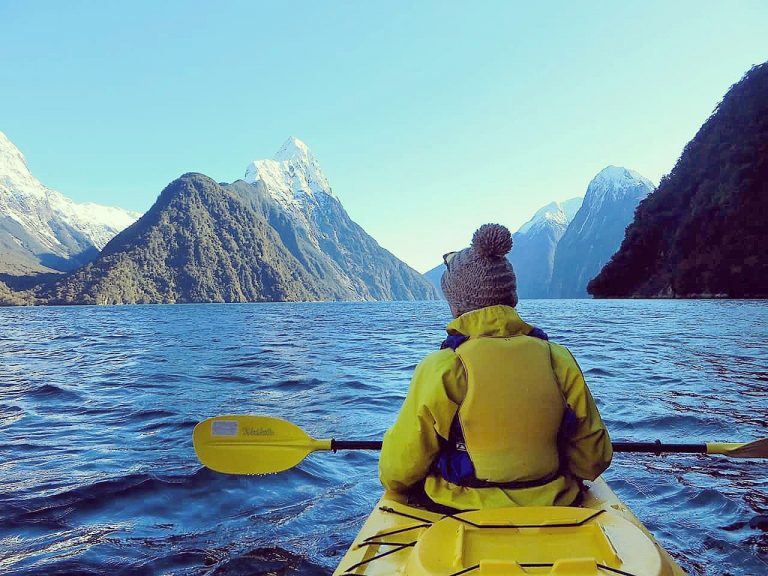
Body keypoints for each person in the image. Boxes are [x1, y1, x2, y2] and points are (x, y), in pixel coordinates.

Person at [379, 223, 612, 511]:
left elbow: (398, 471)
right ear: (511, 298)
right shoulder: (558, 359)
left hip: (458, 509)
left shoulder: (443, 367)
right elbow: (593, 460)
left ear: (456, 305)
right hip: (553, 506)